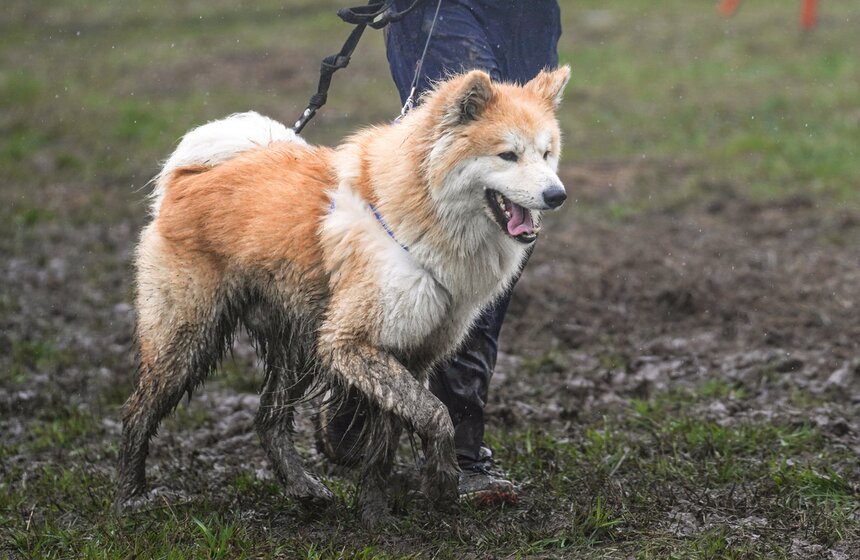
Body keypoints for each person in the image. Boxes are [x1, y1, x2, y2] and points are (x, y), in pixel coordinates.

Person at [317, 0, 562, 506]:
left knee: (508, 216)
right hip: (436, 7)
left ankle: (456, 440)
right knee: (428, 185)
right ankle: (367, 368)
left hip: (526, 11)